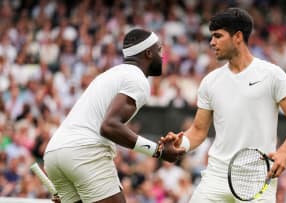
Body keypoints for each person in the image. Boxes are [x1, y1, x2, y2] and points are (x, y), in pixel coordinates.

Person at [162, 8, 286, 202]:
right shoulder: (210, 82)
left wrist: (284, 151)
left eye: (218, 36)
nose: (211, 42)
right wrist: (182, 143)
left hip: (258, 178)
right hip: (216, 176)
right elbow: (198, 130)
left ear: (238, 37)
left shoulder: (273, 75)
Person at [44, 28, 185, 203]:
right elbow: (109, 126)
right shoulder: (137, 79)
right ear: (149, 53)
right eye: (159, 51)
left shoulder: (112, 74)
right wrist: (158, 151)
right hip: (84, 153)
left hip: (55, 153)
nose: (162, 57)